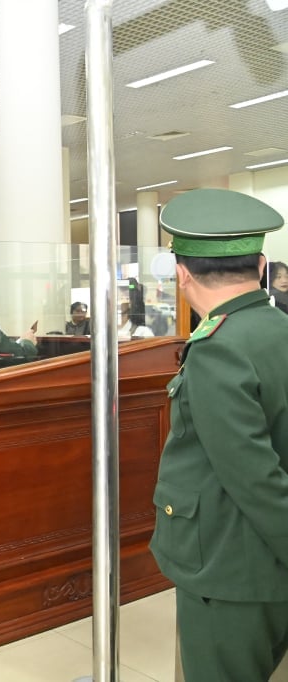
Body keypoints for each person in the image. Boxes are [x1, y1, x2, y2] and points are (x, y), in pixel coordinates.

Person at [149, 188, 288, 682]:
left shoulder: (218, 347)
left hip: (230, 570)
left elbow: (252, 477)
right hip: (264, 569)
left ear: (182, 273)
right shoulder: (278, 330)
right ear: (263, 264)